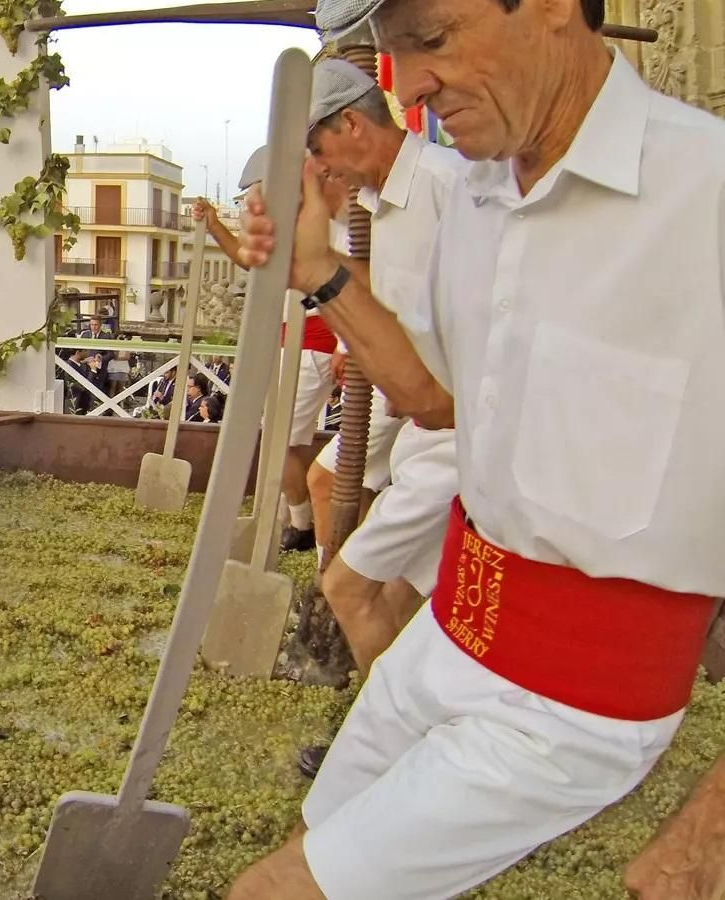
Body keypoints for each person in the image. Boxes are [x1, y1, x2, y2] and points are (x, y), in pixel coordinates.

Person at [228, 0, 725, 893]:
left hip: (580, 700)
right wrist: (317, 275)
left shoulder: (709, 195)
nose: (409, 86)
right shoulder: (475, 198)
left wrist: (711, 832)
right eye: (391, 58)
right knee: (323, 825)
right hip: (452, 634)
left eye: (433, 40)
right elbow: (432, 398)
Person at [291, 58, 467, 779]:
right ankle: (401, 731)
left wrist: (323, 272)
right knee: (396, 596)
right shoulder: (390, 202)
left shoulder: (446, 190)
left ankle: (397, 756)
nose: (325, 171)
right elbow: (388, 304)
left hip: (458, 434)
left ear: (351, 127)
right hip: (425, 435)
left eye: (322, 154)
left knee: (348, 586)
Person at [197, 149, 351, 552]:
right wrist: (215, 226)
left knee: (277, 441)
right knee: (290, 442)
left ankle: (302, 525)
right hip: (297, 342)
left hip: (312, 343)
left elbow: (350, 287)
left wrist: (343, 345)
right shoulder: (301, 227)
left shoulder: (334, 230)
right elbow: (251, 260)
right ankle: (291, 517)